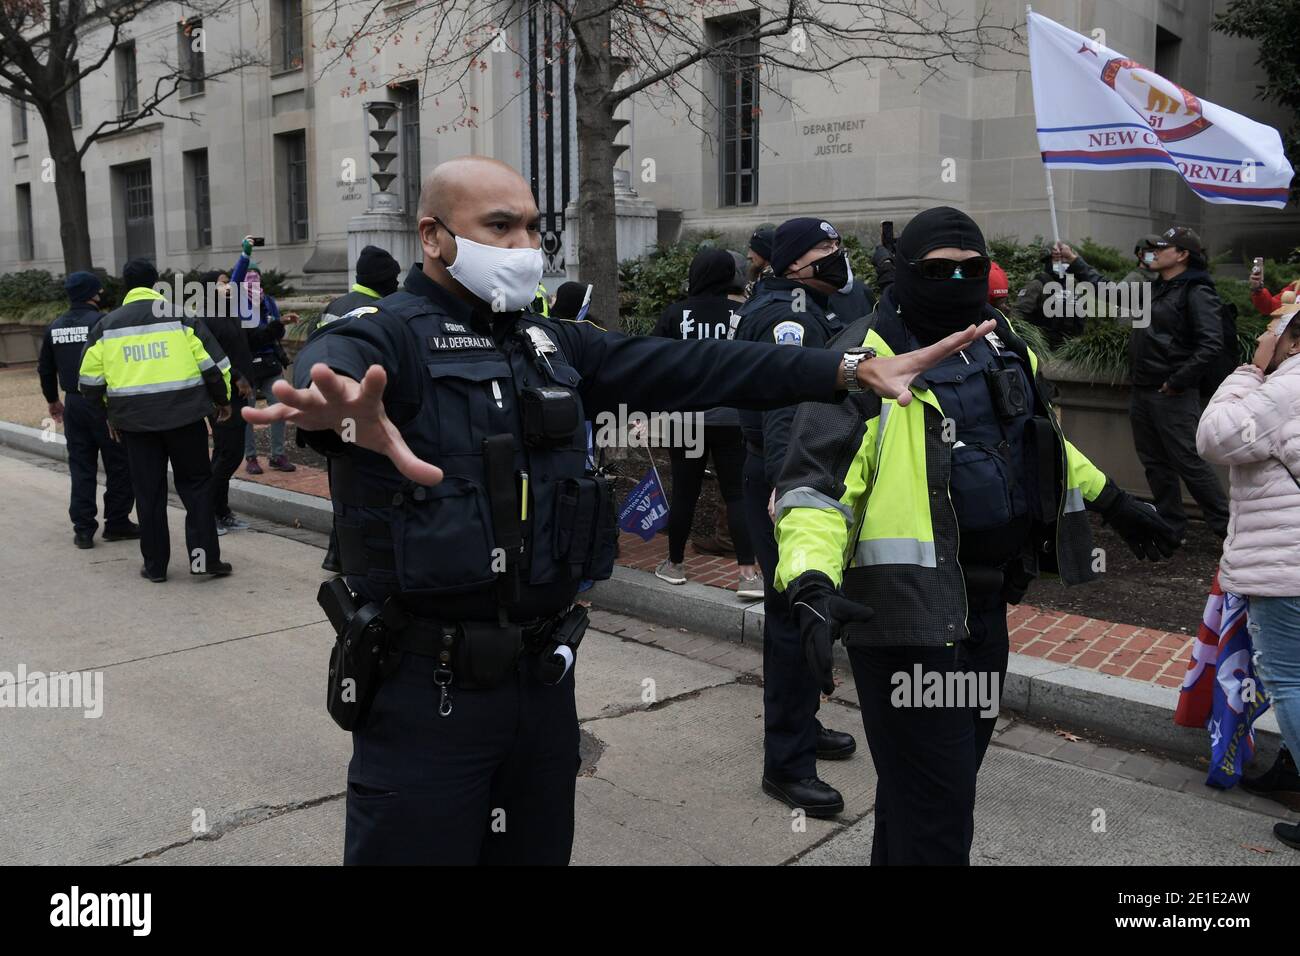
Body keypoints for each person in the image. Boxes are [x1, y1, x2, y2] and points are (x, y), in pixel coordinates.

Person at [244, 155, 995, 865]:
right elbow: (333, 365)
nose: (525, 244)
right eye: (499, 227)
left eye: (534, 227)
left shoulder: (549, 343)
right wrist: (333, 408)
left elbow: (700, 365)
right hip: (424, 690)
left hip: (541, 686)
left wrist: (844, 369)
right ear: (433, 236)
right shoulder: (392, 335)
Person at [773, 206, 1178, 865]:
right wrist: (810, 580)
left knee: (924, 798)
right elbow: (813, 490)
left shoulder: (997, 342)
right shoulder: (863, 363)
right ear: (904, 271)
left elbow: (1037, 443)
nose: (956, 280)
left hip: (984, 617)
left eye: (971, 267)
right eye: (938, 269)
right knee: (939, 814)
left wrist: (1117, 502)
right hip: (907, 624)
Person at [733, 217, 864, 818]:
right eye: (824, 250)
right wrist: (793, 484)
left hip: (793, 471)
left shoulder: (805, 304)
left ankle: (803, 729)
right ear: (792, 263)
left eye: (838, 247)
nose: (837, 257)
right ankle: (786, 767)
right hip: (788, 475)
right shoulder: (790, 313)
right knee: (792, 619)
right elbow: (789, 399)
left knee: (805, 613)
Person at [1197, 292, 1300, 847]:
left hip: (1288, 565)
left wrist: (1252, 369)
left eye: (1273, 332)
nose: (1263, 338)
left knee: (1290, 680)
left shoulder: (1285, 384)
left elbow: (1214, 436)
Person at [78, 259, 234, 582]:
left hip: (136, 426)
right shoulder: (180, 316)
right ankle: (204, 561)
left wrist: (110, 411)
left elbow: (89, 384)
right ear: (155, 283)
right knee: (196, 489)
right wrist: (222, 400)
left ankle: (155, 567)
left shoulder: (106, 326)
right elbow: (214, 364)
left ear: (126, 286)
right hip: (185, 419)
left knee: (149, 494)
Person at [651, 248, 761, 599]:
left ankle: (675, 564)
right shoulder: (743, 314)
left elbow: (654, 361)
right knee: (737, 493)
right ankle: (748, 574)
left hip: (685, 418)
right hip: (732, 416)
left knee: (685, 491)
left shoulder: (675, 314)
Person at [1128, 226, 1231, 540]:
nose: (1154, 252)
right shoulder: (1159, 287)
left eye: (1162, 248)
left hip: (1171, 393)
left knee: (1188, 462)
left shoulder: (1197, 291)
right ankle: (1171, 526)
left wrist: (1177, 381)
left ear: (1183, 255)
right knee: (1155, 463)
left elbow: (1211, 343)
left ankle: (1229, 530)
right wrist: (1076, 262)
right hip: (1144, 389)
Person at [315, 246, 403, 572]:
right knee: (369, 490)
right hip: (368, 412)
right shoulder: (383, 310)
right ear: (386, 280)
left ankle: (335, 553)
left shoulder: (336, 306)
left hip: (331, 412)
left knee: (341, 487)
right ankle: (359, 557)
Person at [38, 271, 138, 549]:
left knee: (81, 466)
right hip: (104, 404)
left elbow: (45, 368)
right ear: (93, 294)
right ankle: (116, 522)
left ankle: (83, 529)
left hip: (73, 404)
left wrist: (52, 400)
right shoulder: (103, 323)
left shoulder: (55, 326)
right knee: (119, 464)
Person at [229, 238, 300, 474]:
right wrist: (245, 255)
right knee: (248, 412)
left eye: (256, 276)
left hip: (269, 364)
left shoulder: (268, 302)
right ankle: (251, 457)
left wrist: (280, 322)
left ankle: (277, 455)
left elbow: (273, 334)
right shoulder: (237, 301)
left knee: (279, 405)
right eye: (249, 276)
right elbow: (234, 281)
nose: (253, 280)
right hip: (247, 365)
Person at [197, 270, 257, 537]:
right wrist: (236, 378)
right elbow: (210, 357)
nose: (228, 286)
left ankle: (221, 511)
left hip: (240, 393)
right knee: (226, 454)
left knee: (231, 453)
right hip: (223, 396)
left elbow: (247, 344)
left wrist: (276, 329)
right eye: (222, 283)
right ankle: (210, 513)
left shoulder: (228, 314)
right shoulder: (205, 319)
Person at [1010, 241, 1105, 350]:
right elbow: (1017, 316)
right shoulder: (1038, 285)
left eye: (1065, 260)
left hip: (1068, 349)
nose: (1061, 263)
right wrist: (1030, 343)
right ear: (1048, 261)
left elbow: (1081, 318)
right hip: (1043, 349)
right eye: (1057, 260)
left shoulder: (1074, 286)